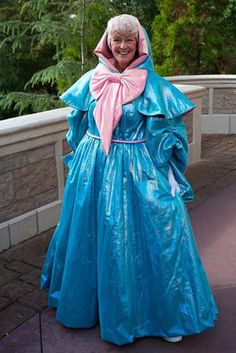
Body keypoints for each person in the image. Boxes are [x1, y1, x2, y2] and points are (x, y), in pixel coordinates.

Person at [41, 14, 218, 346]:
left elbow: (169, 133)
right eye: (115, 39)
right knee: (92, 234)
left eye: (128, 40)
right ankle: (90, 305)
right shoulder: (91, 80)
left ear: (140, 43)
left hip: (139, 169)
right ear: (106, 43)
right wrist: (84, 163)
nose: (121, 46)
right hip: (94, 167)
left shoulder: (154, 86)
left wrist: (168, 173)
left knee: (161, 232)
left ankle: (167, 313)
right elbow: (77, 126)